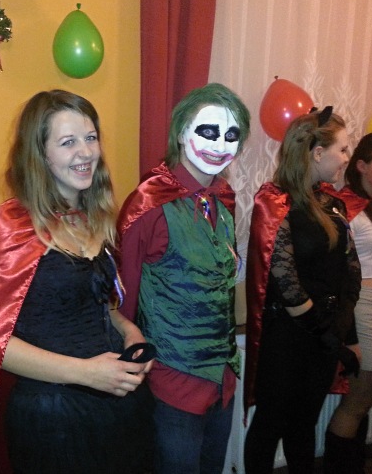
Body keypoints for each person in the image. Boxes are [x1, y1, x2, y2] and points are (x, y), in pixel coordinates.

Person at [0, 90, 154, 474]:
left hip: (114, 404)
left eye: (91, 138)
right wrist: (86, 373)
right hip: (54, 415)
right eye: (67, 142)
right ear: (40, 154)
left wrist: (130, 332)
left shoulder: (94, 218)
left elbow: (96, 303)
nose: (86, 152)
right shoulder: (16, 224)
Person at [117, 82, 251, 474]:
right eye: (208, 131)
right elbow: (122, 299)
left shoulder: (223, 201)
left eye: (232, 135)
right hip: (172, 383)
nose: (220, 144)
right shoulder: (148, 205)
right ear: (180, 133)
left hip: (222, 380)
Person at [244, 107, 362, 474]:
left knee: (303, 425)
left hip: (324, 336)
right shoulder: (275, 200)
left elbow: (350, 271)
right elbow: (286, 282)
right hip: (288, 338)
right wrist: (326, 334)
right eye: (343, 149)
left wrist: (344, 333)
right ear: (317, 153)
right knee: (270, 424)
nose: (347, 157)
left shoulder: (333, 203)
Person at [324, 132, 372, 473]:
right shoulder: (345, 207)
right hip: (368, 309)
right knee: (356, 403)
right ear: (361, 165)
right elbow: (339, 275)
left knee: (363, 402)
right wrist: (350, 334)